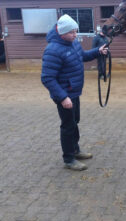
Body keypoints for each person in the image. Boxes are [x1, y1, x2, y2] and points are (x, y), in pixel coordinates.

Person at [41, 14, 108, 171]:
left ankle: (75, 150)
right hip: (64, 95)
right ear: (61, 32)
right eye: (71, 32)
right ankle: (69, 159)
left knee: (74, 122)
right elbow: (47, 78)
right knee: (67, 126)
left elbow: (83, 56)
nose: (75, 35)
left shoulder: (72, 43)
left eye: (76, 31)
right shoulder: (53, 50)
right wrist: (62, 97)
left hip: (74, 92)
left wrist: (98, 51)